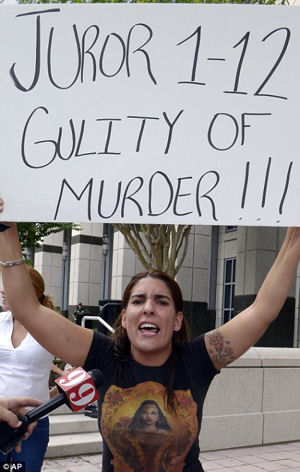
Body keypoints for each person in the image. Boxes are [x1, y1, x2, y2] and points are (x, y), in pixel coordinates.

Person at [0, 202, 299, 471]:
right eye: (138, 301)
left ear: (178, 320)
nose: (149, 309)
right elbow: (28, 309)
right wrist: (7, 228)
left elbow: (263, 310)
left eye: (162, 301)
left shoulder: (198, 359)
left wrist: (295, 237)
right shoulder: (101, 355)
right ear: (125, 317)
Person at [0, 266, 59, 472]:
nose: (1, 290)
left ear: (29, 290)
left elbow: (83, 364)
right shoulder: (0, 322)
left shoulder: (51, 327)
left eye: (8, 285)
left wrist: (49, 399)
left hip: (32, 425)